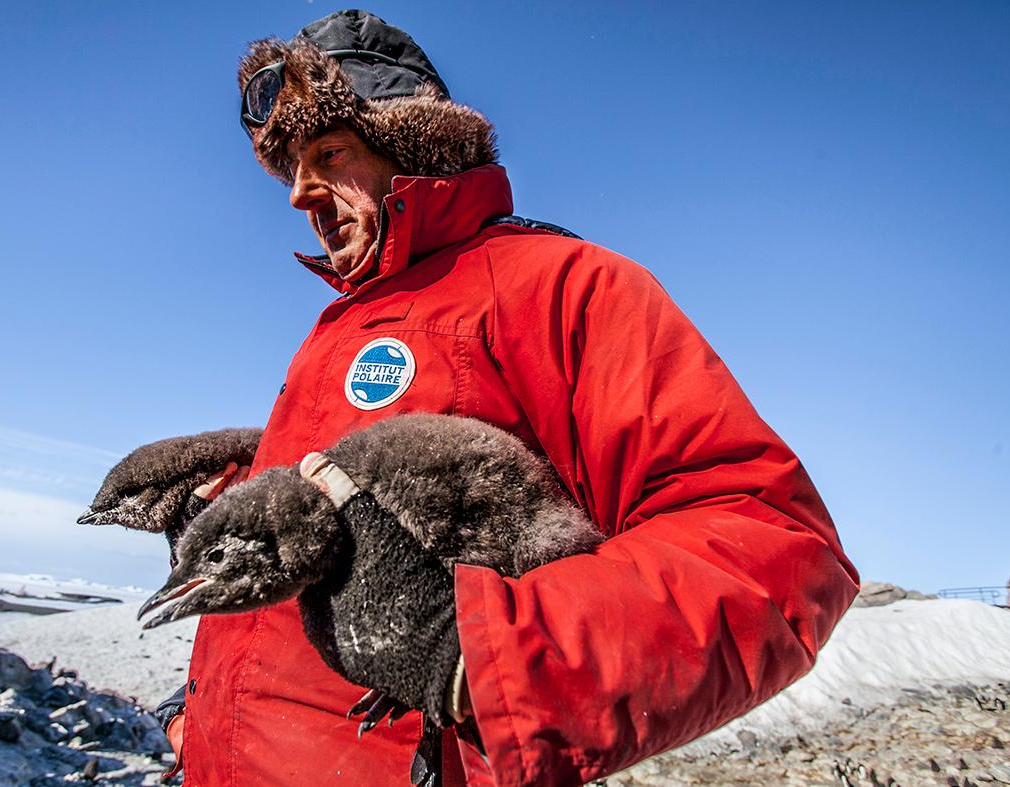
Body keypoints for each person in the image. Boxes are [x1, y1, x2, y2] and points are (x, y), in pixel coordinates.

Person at [158, 10, 859, 785]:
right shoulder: (336, 326)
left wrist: (484, 657)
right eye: (289, 165)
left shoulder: (565, 287)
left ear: (415, 141)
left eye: (327, 153)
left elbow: (773, 545)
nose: (298, 194)